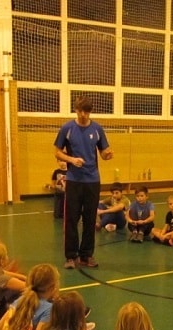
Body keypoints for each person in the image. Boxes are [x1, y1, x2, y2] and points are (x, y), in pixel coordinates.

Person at [54, 95, 113, 269]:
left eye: (86, 112)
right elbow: (57, 152)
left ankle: (86, 255)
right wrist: (72, 160)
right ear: (76, 110)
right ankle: (71, 256)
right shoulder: (67, 128)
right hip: (74, 180)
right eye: (80, 111)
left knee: (90, 219)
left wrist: (107, 155)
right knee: (71, 219)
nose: (83, 115)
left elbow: (103, 152)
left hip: (92, 180)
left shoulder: (97, 129)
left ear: (90, 112)